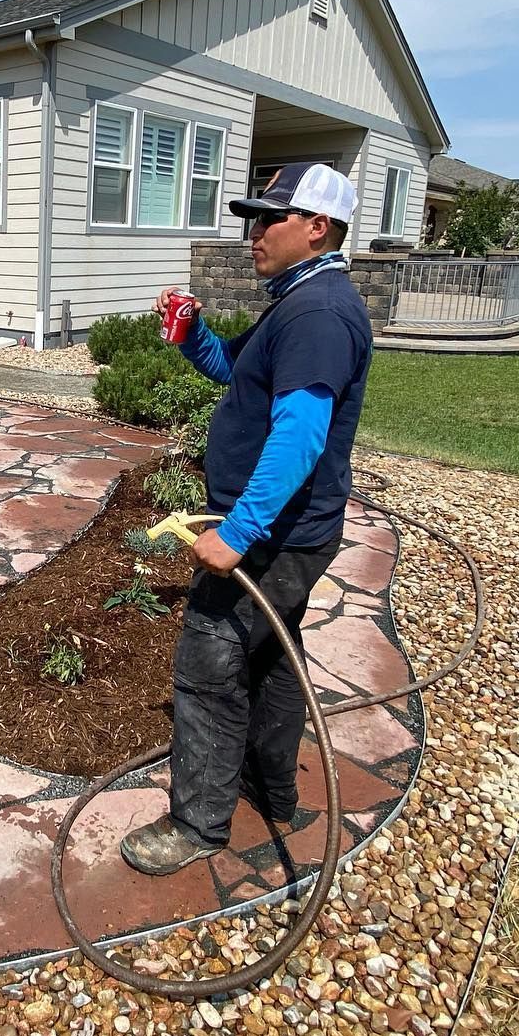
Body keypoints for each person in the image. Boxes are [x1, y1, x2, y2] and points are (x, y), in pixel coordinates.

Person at [120, 162, 373, 876]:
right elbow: (237, 372)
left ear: (317, 227)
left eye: (269, 218)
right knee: (271, 654)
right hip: (296, 526)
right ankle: (272, 787)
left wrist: (237, 533)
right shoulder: (298, 298)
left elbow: (300, 436)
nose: (253, 232)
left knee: (208, 657)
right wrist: (192, 336)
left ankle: (199, 822)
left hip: (279, 532)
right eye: (251, 217)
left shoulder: (319, 313)